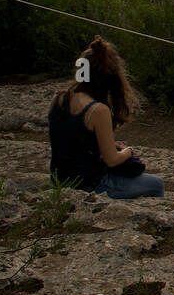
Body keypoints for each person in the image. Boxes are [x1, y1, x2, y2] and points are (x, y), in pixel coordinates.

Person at [48, 35, 164, 199]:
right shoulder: (98, 110)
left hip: (58, 180)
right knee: (156, 184)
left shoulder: (59, 98)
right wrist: (128, 152)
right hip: (89, 185)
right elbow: (112, 160)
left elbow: (69, 138)